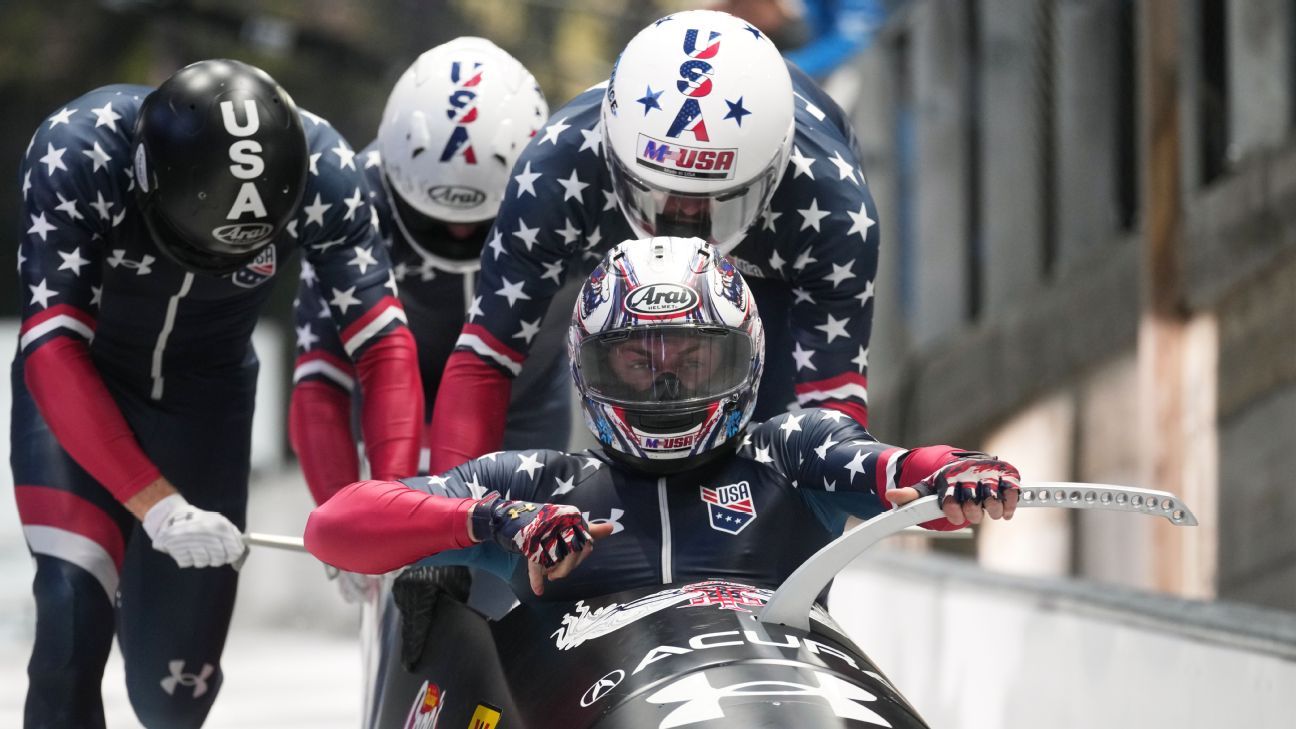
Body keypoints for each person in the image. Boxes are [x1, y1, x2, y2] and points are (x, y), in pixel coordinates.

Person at [11, 59, 422, 728]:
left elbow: (383, 344)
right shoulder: (76, 149)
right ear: (145, 178)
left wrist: (390, 509)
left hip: (207, 401)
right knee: (69, 613)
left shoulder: (326, 172)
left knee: (174, 696)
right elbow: (52, 347)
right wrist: (157, 505)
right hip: (83, 379)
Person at [305, 237, 1020, 605]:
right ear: (592, 368)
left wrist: (955, 475)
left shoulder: (793, 451)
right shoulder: (540, 489)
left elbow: (899, 473)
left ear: (747, 358)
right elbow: (332, 527)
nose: (669, 382)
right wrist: (498, 521)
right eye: (639, 364)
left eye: (695, 360)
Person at [426, 9, 879, 476]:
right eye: (659, 192)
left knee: (770, 433)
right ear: (613, 154)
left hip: (769, 273)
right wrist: (452, 513)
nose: (683, 215)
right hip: (608, 240)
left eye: (713, 200)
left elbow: (830, 409)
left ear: (773, 170)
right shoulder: (556, 170)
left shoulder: (833, 207)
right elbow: (486, 357)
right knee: (565, 368)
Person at [288, 38, 557, 608]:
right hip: (393, 393)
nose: (458, 235)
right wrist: (349, 513)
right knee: (407, 585)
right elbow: (321, 377)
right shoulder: (351, 193)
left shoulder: (558, 189)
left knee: (512, 589)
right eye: (434, 222)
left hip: (526, 396)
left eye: (477, 224)